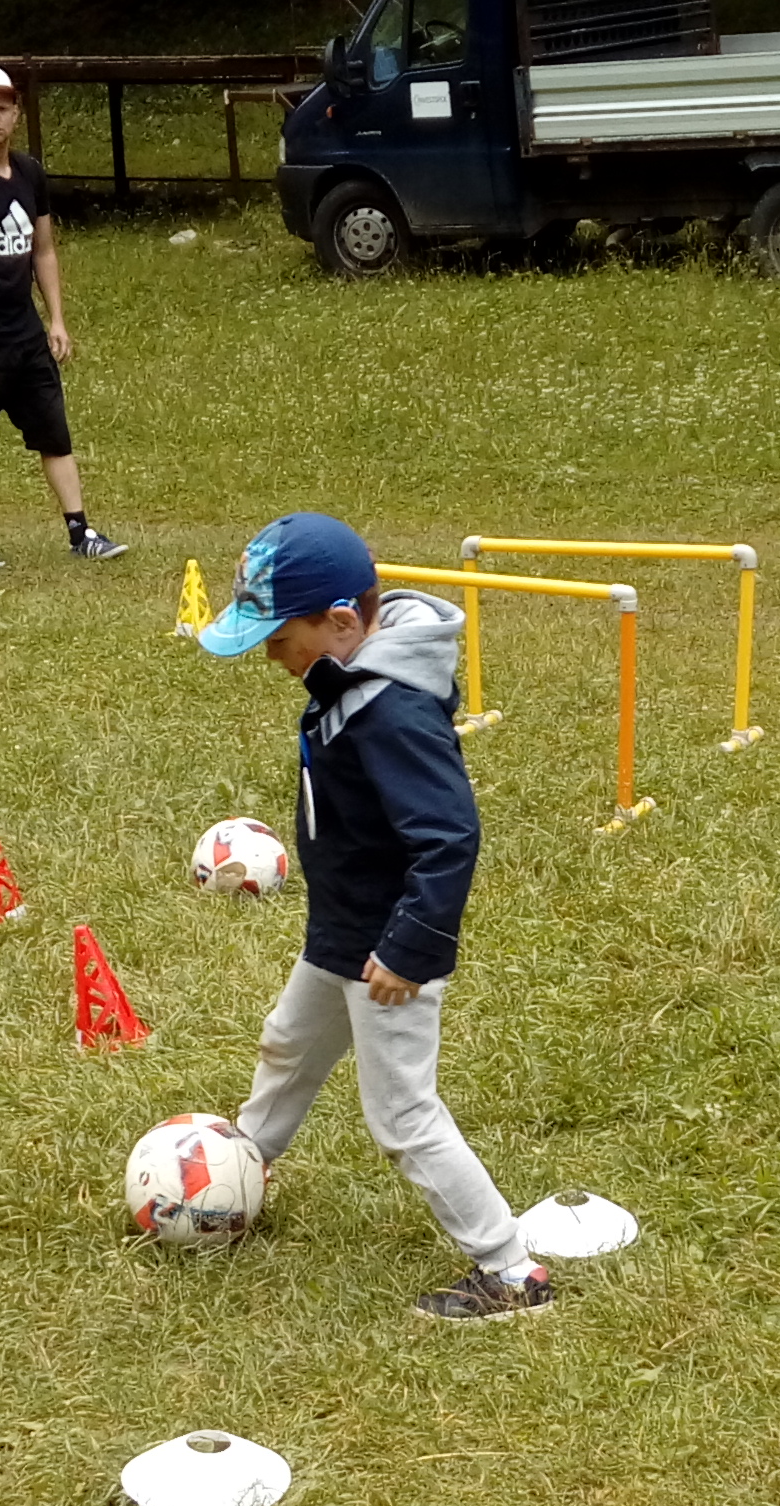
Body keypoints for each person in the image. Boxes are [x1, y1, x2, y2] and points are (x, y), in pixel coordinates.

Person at [195, 513, 550, 1322]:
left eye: (278, 639)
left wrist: (409, 948)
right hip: (344, 931)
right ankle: (237, 1176)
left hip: (388, 953)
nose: (271, 657)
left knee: (403, 1117)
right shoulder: (350, 677)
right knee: (288, 1042)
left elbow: (450, 837)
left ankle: (510, 1270)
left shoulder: (392, 710)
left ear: (341, 622)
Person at [0, 63, 127, 564]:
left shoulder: (30, 172)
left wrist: (56, 319)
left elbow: (43, 250)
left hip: (24, 334)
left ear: (16, 113)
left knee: (55, 433)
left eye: (3, 109)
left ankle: (81, 532)